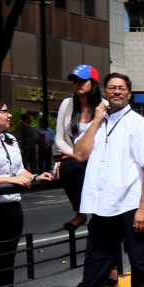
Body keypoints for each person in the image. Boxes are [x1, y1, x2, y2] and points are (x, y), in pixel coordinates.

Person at [42, 73, 144, 287]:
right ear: (105, 92)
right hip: (105, 206)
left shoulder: (137, 124)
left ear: (129, 93)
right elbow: (80, 154)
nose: (116, 92)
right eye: (112, 88)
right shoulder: (100, 123)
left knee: (140, 262)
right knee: (96, 263)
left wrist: (143, 208)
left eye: (121, 88)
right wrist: (95, 120)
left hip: (132, 203)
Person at [0, 100, 53, 287]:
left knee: (6, 258)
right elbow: (11, 178)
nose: (9, 116)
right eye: (5, 112)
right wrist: (9, 181)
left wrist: (35, 176)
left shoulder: (10, 140)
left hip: (12, 208)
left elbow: (19, 171)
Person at [55, 64, 103, 231]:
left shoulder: (103, 106)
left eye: (82, 80)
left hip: (97, 156)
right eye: (75, 81)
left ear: (93, 83)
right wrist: (74, 154)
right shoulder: (67, 104)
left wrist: (86, 156)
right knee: (69, 168)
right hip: (73, 156)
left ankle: (98, 213)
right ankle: (80, 213)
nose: (77, 84)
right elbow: (59, 138)